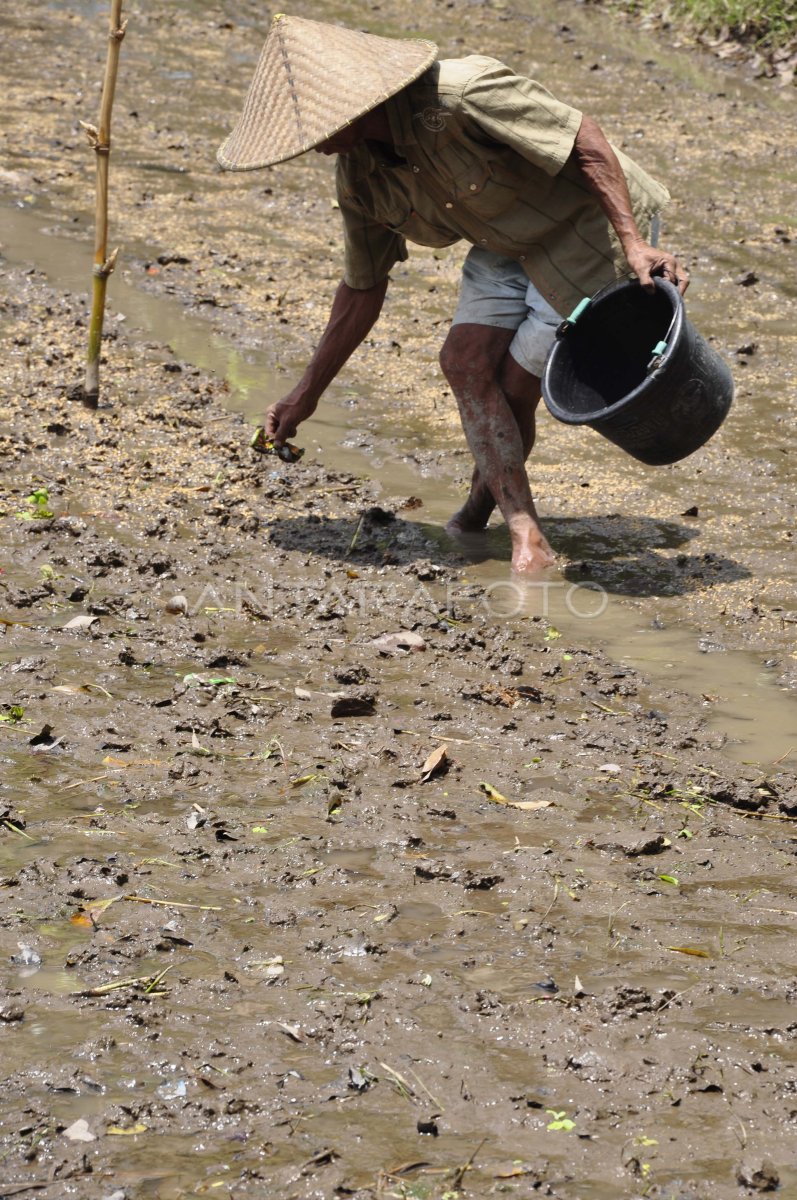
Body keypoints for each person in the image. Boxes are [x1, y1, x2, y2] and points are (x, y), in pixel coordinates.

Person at [218, 14, 688, 573]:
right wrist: (305, 395)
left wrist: (635, 243)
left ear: (355, 105)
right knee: (462, 362)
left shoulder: (464, 94)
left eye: (314, 131)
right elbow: (362, 288)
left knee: (515, 385)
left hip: (588, 229)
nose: (311, 147)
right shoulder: (360, 176)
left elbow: (583, 138)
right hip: (505, 241)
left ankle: (491, 515)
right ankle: (522, 527)